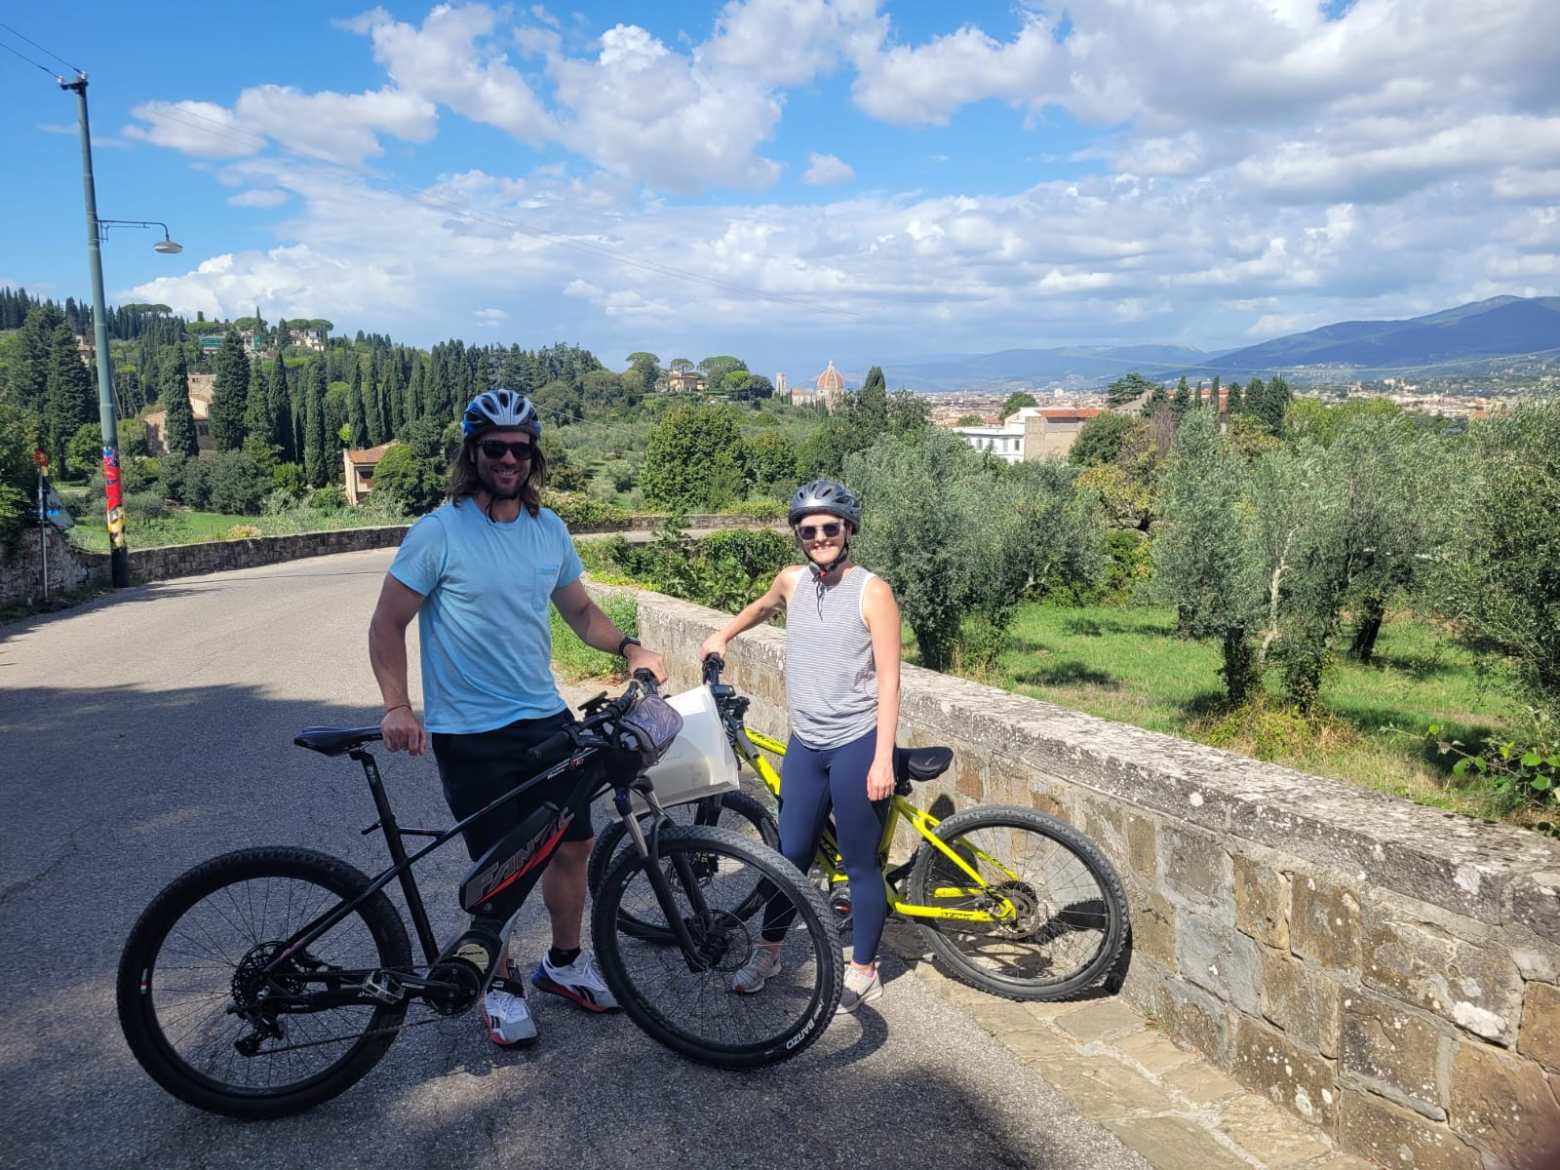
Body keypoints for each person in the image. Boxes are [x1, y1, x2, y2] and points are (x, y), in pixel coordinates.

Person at [369, 388, 667, 1049]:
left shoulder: (547, 529)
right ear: (473, 454)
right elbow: (388, 622)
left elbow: (580, 613)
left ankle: (563, 964)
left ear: (533, 457)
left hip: (543, 718)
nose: (509, 459)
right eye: (495, 448)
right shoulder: (439, 531)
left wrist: (628, 647)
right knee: (499, 868)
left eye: (520, 449)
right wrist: (397, 704)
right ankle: (499, 984)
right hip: (469, 731)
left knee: (573, 844)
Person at [698, 478, 902, 1013]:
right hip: (806, 744)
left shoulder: (872, 591)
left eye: (830, 528)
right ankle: (770, 952)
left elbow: (889, 681)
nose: (819, 538)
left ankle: (864, 970)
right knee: (788, 857)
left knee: (859, 864)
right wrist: (724, 634)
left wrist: (883, 758)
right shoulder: (791, 582)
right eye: (808, 531)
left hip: (856, 742)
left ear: (849, 530)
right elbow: (762, 607)